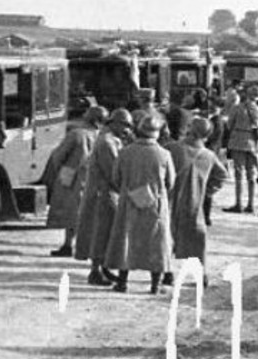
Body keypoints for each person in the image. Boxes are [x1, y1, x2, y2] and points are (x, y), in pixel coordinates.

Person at [105, 109, 175, 294]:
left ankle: (122, 282)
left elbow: (115, 178)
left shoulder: (125, 153)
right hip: (156, 204)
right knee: (157, 242)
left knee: (126, 240)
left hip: (129, 202)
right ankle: (155, 284)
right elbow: (171, 182)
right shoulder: (164, 154)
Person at [74, 107, 134, 284]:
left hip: (104, 193)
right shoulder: (107, 143)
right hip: (103, 195)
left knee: (104, 233)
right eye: (125, 126)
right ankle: (95, 271)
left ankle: (102, 268)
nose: (127, 131)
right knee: (100, 233)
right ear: (115, 123)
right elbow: (113, 172)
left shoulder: (110, 139)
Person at [41, 106, 107, 257]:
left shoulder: (76, 134)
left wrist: (61, 172)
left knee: (71, 214)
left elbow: (58, 156)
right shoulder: (103, 136)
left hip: (73, 178)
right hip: (95, 180)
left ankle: (68, 245)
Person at [169, 116, 227, 285]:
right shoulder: (208, 155)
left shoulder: (172, 148)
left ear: (189, 129)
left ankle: (166, 271)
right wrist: (208, 191)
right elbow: (221, 175)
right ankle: (201, 274)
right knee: (197, 237)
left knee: (167, 234)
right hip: (195, 200)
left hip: (172, 198)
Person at [225, 85, 258, 213]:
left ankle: (238, 203)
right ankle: (251, 204)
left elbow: (230, 124)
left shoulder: (237, 108)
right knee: (251, 174)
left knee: (238, 173)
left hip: (239, 140)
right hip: (253, 142)